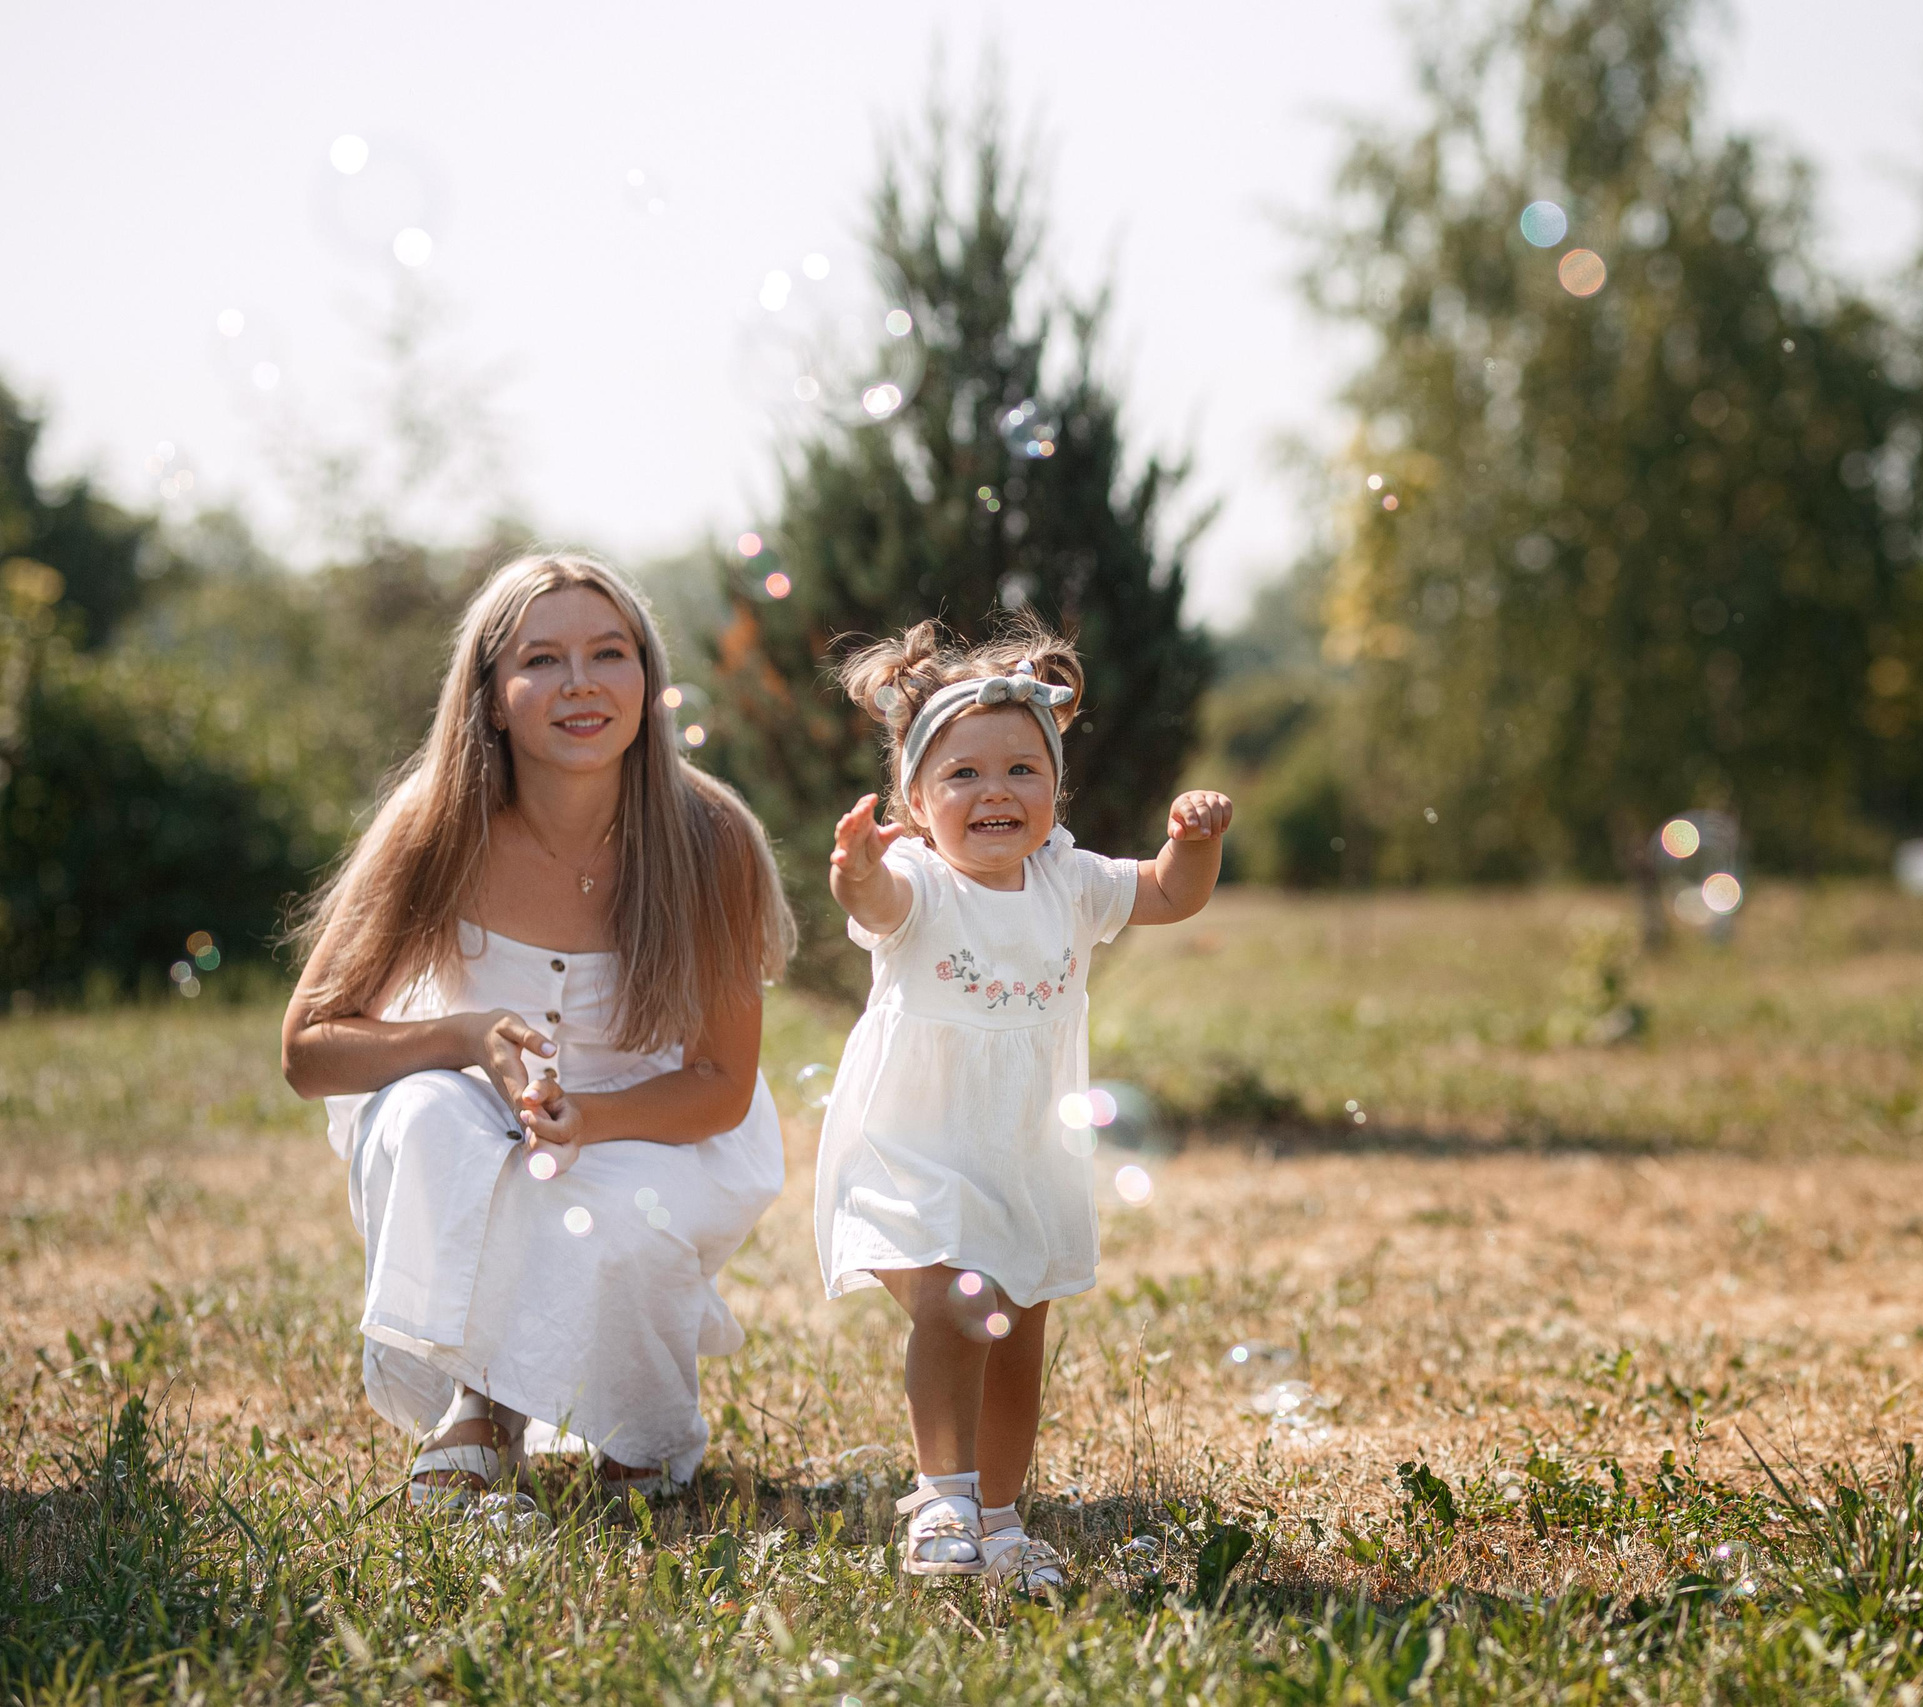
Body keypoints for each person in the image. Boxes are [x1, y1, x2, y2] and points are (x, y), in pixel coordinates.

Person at [280, 551, 794, 1515]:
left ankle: (642, 1426)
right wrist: (465, 1036)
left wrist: (589, 1118)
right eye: (542, 660)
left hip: (654, 1118)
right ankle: (477, 1405)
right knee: (432, 1119)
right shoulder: (435, 823)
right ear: (491, 698)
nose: (581, 683)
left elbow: (722, 1083)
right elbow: (309, 1048)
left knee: (617, 1204)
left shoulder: (707, 835)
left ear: (648, 678)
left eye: (610, 653)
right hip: (478, 1109)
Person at [816, 617, 1230, 1592]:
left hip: (1026, 1155)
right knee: (957, 1303)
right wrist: (858, 871)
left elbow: (1171, 895)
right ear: (916, 802)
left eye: (1021, 771)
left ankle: (1000, 1521)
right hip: (917, 1148)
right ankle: (942, 1498)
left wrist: (1194, 843)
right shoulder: (919, 884)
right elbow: (876, 908)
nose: (995, 791)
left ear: (1056, 789)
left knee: (1017, 1336)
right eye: (962, 775)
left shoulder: (1071, 882)